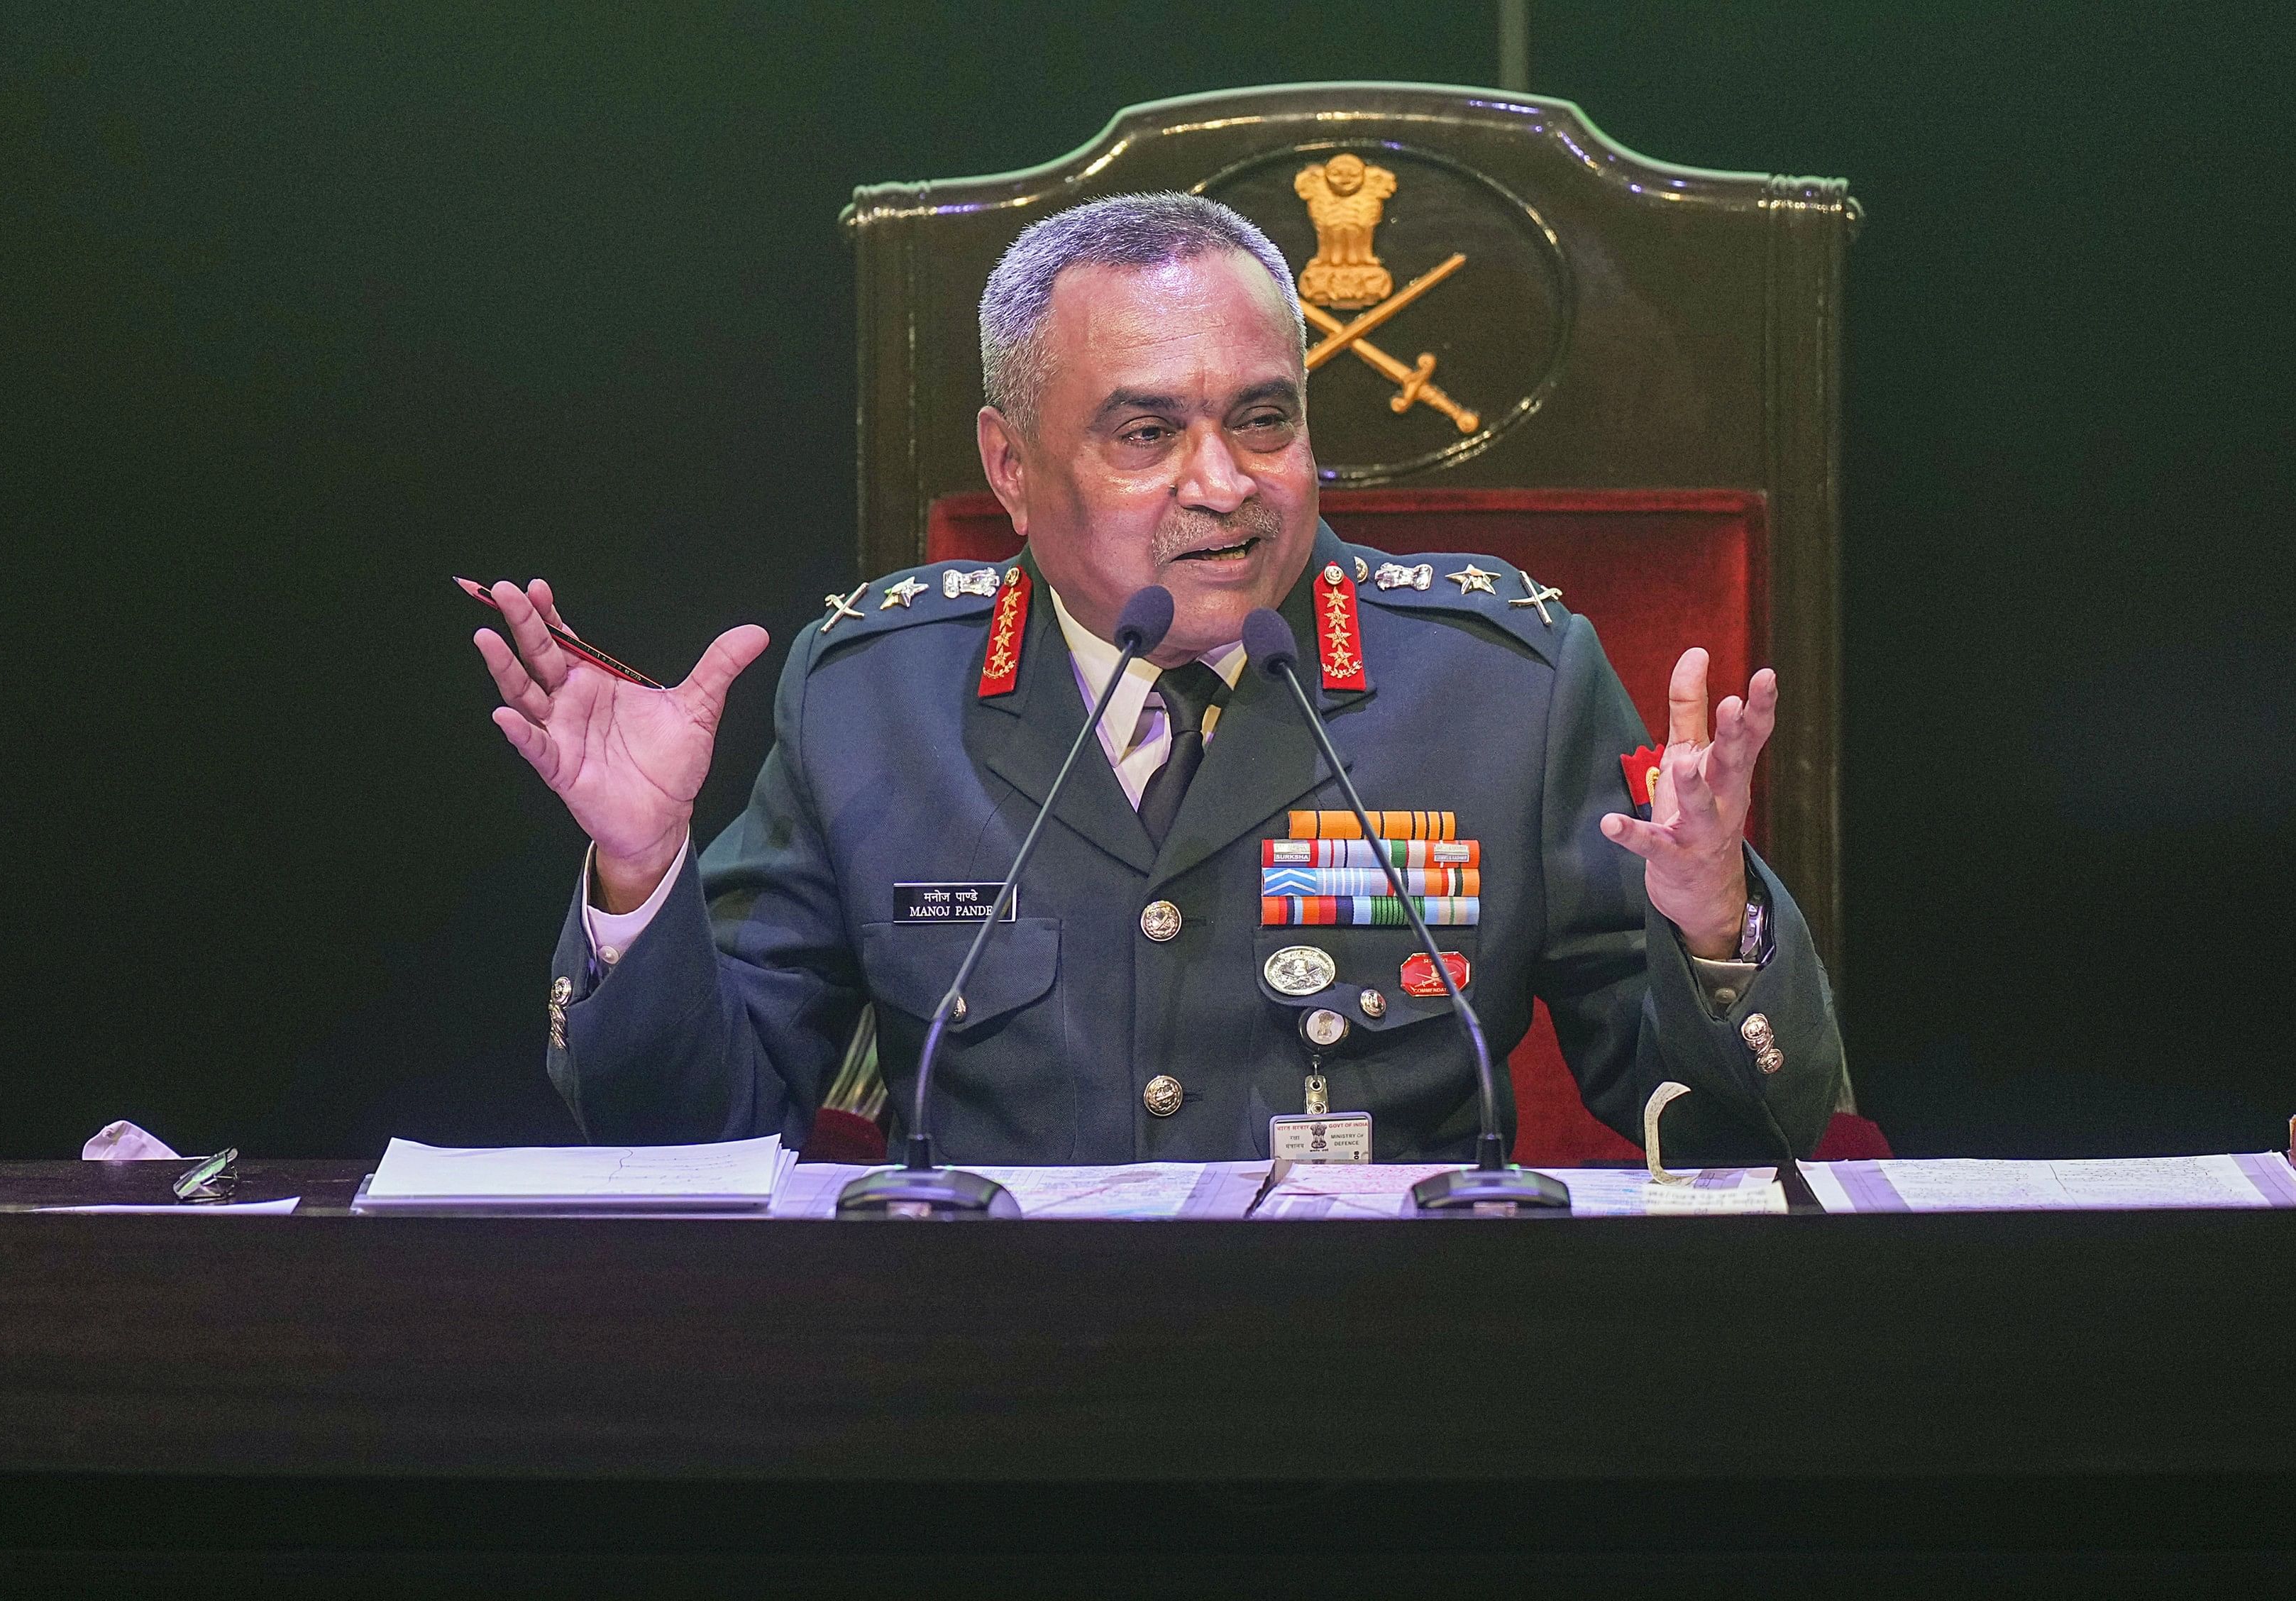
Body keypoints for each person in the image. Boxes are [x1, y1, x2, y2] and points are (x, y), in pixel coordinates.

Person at [471, 193, 1843, 1164]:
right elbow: (688, 1138)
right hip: (982, 1415)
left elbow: (1743, 1136)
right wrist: (644, 877)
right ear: (1011, 468)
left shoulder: (1503, 684)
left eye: (1264, 419)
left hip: (1380, 1402)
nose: (1224, 483)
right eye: (1147, 432)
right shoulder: (873, 693)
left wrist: (1717, 927)